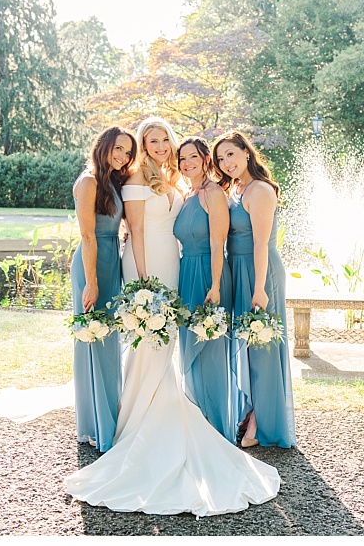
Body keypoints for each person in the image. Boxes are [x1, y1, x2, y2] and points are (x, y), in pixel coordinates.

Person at [66, 118, 280, 516]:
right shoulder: (132, 180)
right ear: (144, 146)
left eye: (165, 139)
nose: (160, 145)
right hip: (147, 265)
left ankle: (154, 407)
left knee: (162, 343)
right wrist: (144, 279)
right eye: (152, 141)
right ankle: (139, 416)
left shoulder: (175, 180)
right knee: (151, 338)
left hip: (173, 263)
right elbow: (138, 232)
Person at [212, 131, 295, 449]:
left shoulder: (259, 190)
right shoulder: (234, 189)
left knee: (262, 344)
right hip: (239, 269)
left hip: (259, 272)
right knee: (246, 343)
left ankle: (263, 422)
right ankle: (249, 410)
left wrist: (260, 289)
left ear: (247, 153)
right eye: (220, 158)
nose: (226, 162)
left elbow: (261, 243)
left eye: (230, 154)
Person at [70, 126, 135, 452]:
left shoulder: (112, 179)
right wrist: (92, 282)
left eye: (127, 152)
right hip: (93, 264)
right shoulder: (89, 181)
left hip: (111, 259)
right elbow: (88, 236)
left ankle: (106, 416)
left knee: (107, 342)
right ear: (104, 145)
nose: (123, 156)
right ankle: (97, 425)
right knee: (95, 339)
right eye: (119, 149)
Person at [174, 136, 237, 443]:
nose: (187, 163)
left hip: (209, 275)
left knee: (210, 350)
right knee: (190, 347)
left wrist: (214, 285)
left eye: (192, 157)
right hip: (187, 274)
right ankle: (194, 422)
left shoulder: (213, 193)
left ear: (205, 159)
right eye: (182, 159)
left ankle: (215, 428)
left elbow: (217, 242)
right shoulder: (187, 195)